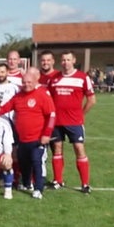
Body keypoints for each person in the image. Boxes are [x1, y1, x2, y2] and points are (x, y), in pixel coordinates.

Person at [0, 69, 56, 199]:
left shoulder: (42, 94)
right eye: (24, 82)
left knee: (36, 161)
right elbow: (5, 107)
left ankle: (39, 189)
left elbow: (51, 115)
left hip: (37, 138)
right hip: (22, 138)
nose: (26, 84)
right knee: (24, 163)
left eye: (29, 82)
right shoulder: (18, 96)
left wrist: (46, 134)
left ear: (36, 81)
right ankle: (26, 184)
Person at [47, 50, 96, 193]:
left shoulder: (82, 77)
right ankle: (58, 181)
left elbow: (92, 100)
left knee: (79, 149)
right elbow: (48, 99)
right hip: (57, 122)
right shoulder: (54, 78)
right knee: (57, 149)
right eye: (63, 60)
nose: (65, 63)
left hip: (74, 122)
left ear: (74, 60)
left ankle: (85, 184)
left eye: (68, 60)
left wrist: (81, 114)